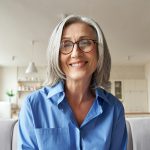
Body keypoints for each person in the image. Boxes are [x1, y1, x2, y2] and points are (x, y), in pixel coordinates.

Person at [18, 15, 127, 150]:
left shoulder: (114, 109)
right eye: (66, 44)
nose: (76, 53)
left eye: (85, 42)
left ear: (99, 51)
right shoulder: (33, 105)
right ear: (56, 54)